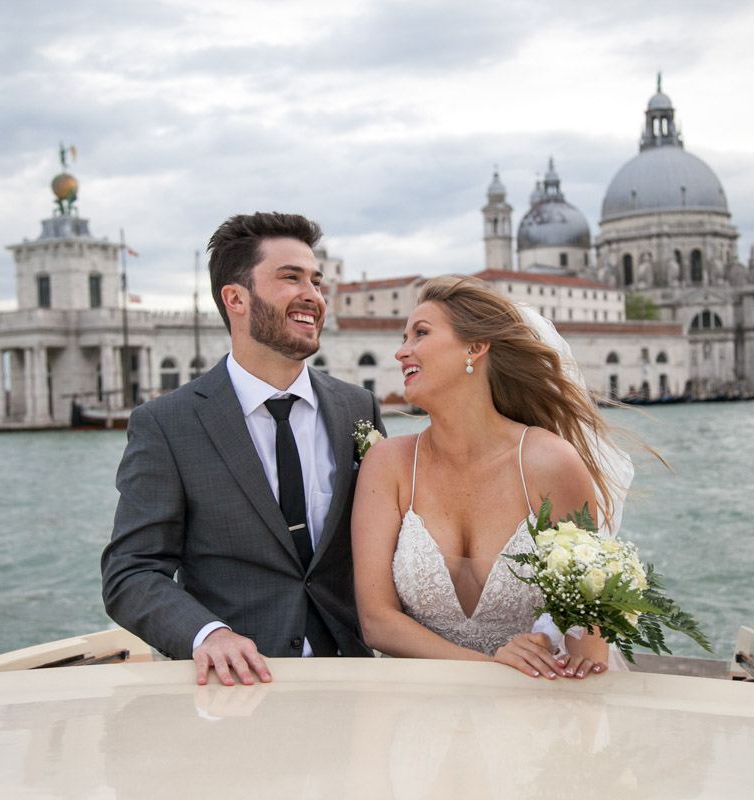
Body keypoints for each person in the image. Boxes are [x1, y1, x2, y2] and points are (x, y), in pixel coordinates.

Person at [102, 212, 385, 686]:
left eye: (316, 281)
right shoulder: (167, 424)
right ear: (235, 298)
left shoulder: (358, 408)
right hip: (238, 687)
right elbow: (132, 572)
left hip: (353, 679)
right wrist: (207, 634)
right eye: (290, 278)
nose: (313, 296)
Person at [352, 275, 642, 680]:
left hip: (535, 704)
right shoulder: (388, 464)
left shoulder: (550, 463)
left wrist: (565, 657)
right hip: (419, 705)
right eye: (404, 337)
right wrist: (492, 669)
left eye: (420, 333)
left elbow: (588, 625)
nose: (402, 351)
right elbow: (377, 621)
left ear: (475, 347)